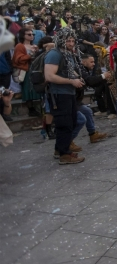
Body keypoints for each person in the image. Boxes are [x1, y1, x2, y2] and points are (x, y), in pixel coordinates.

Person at [44, 28, 85, 164]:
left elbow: (68, 70)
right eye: (68, 40)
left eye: (73, 41)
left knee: (72, 121)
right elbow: (49, 76)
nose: (71, 43)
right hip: (59, 94)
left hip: (68, 93)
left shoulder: (67, 54)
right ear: (61, 40)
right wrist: (71, 81)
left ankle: (59, 149)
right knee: (64, 124)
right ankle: (64, 155)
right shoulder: (54, 54)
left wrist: (78, 78)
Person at [77, 54, 109, 143]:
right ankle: (67, 142)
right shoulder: (81, 70)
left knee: (87, 111)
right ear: (84, 62)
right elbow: (89, 81)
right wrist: (102, 76)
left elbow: (92, 83)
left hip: (77, 99)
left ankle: (93, 134)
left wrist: (103, 79)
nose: (94, 64)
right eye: (91, 62)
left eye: (94, 62)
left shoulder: (85, 70)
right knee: (80, 119)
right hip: (71, 99)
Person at [13, 28, 42, 117]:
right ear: (23, 36)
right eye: (29, 34)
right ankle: (31, 109)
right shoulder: (20, 46)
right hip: (26, 70)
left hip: (35, 69)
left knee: (35, 88)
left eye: (32, 34)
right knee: (27, 89)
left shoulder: (34, 45)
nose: (31, 36)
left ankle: (38, 108)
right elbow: (18, 59)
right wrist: (30, 55)